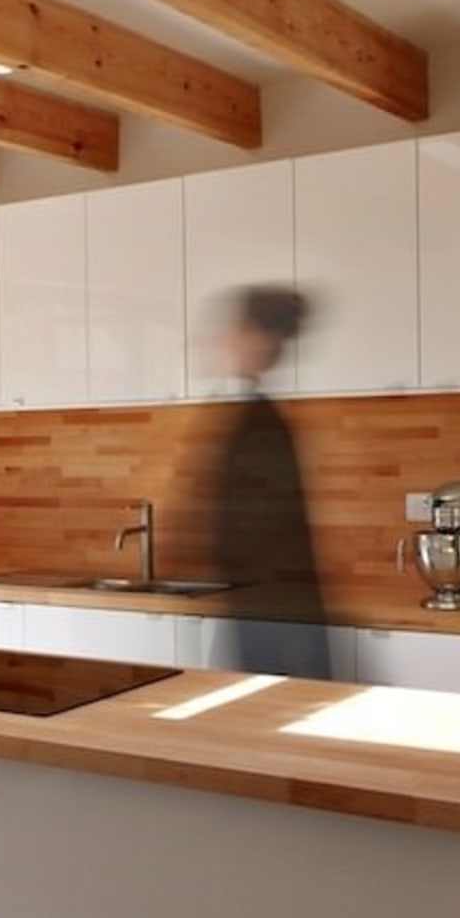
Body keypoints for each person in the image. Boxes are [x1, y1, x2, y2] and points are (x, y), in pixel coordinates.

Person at [201, 284, 331, 678]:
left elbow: (258, 529)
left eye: (237, 328)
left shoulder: (261, 425)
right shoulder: (255, 414)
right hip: (271, 609)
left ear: (261, 339)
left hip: (274, 616)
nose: (226, 338)